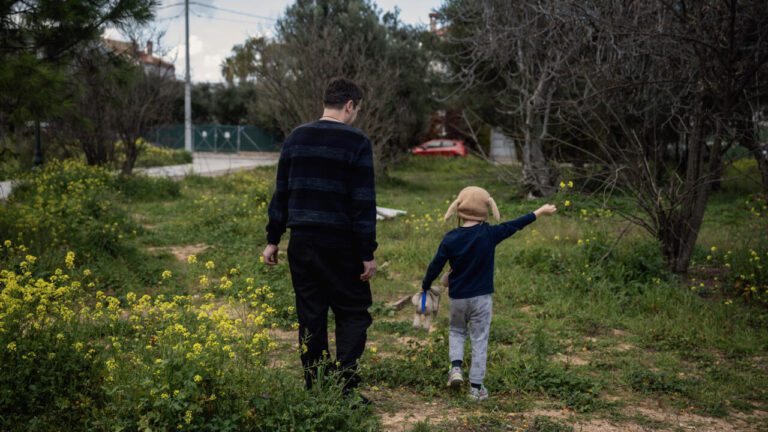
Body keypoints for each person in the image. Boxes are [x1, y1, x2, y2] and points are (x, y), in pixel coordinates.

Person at [262, 77, 377, 398]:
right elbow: (363, 203)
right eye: (357, 110)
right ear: (350, 105)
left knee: (311, 315)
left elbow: (281, 193)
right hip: (343, 245)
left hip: (302, 243)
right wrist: (367, 253)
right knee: (353, 311)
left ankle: (316, 385)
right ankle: (345, 386)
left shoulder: (295, 138)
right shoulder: (357, 142)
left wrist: (273, 239)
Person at [421, 186, 556, 401]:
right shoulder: (490, 234)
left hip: (458, 298)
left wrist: (426, 284)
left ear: (458, 209)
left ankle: (455, 368)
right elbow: (515, 225)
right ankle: (476, 389)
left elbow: (436, 265)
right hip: (482, 299)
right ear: (487, 208)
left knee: (456, 332)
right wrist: (538, 212)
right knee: (479, 339)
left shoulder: (450, 238)